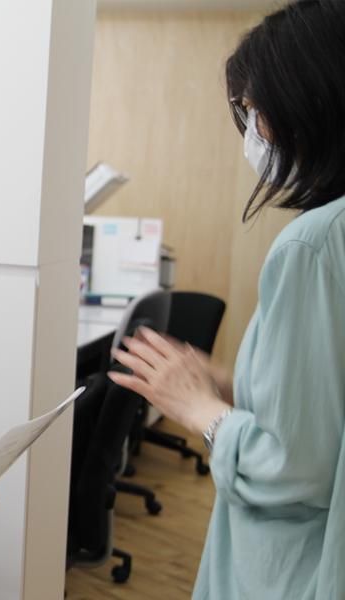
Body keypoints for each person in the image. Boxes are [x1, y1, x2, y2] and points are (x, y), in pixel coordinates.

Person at [109, 1, 345, 598]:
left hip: (294, 566)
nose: (253, 131)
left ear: (306, 103)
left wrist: (199, 410)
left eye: (255, 110)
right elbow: (327, 414)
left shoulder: (312, 245)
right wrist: (239, 386)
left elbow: (295, 471)